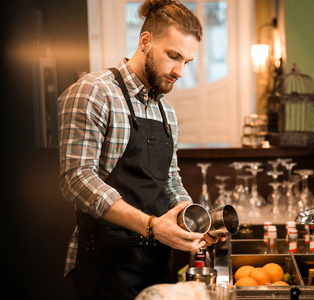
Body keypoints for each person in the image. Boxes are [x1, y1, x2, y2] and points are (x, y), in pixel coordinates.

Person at [58, 1, 222, 299]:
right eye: (173, 56)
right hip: (104, 266)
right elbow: (76, 178)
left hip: (156, 266)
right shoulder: (95, 91)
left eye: (187, 62)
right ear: (145, 41)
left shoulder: (166, 112)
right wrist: (150, 225)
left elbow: (169, 182)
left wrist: (194, 223)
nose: (180, 71)